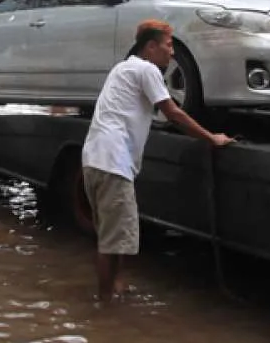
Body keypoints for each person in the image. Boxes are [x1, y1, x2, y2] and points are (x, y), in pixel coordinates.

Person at [81, 20, 233, 303]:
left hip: (94, 159)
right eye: (168, 45)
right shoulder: (147, 69)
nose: (172, 53)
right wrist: (211, 138)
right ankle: (105, 306)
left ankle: (116, 288)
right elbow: (174, 113)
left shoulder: (122, 68)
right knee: (112, 242)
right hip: (113, 162)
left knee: (113, 236)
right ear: (150, 47)